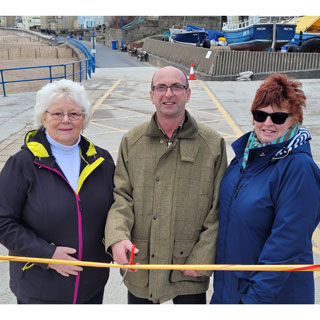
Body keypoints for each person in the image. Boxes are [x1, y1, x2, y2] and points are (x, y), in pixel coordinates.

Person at [104, 66, 228, 304]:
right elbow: (121, 197)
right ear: (151, 95)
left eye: (177, 87)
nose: (168, 93)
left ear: (188, 94)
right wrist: (117, 237)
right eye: (161, 87)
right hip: (141, 264)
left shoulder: (212, 144)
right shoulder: (132, 140)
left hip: (189, 266)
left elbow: (218, 208)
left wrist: (203, 256)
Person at [0, 79, 115, 304]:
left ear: (84, 118)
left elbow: (117, 210)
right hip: (40, 289)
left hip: (91, 287)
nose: (66, 120)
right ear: (43, 117)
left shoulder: (102, 161)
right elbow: (3, 221)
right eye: (57, 114)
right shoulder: (22, 164)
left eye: (74, 114)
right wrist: (46, 254)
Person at [211, 73, 320, 304]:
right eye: (260, 114)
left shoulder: (298, 168)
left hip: (268, 300)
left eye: (278, 117)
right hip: (230, 292)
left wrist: (253, 303)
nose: (267, 123)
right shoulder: (245, 158)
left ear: (294, 119)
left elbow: (286, 247)